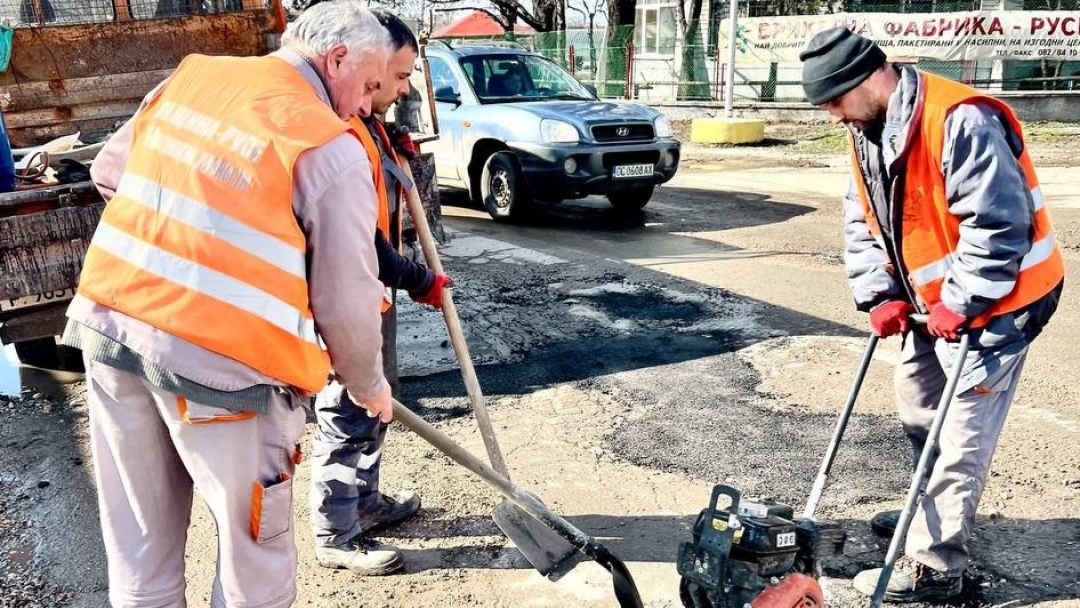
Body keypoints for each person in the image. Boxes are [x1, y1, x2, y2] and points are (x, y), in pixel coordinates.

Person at [63, 3, 394, 606]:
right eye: (370, 86)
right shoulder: (326, 143)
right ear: (337, 59)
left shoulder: (193, 76)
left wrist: (195, 245)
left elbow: (112, 174)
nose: (366, 107)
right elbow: (347, 305)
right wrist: (369, 386)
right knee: (254, 564)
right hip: (227, 379)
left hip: (112, 329)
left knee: (141, 550)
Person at [800, 27, 1064, 602]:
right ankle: (930, 507)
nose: (831, 118)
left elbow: (998, 226)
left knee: (962, 429)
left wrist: (962, 301)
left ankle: (936, 566)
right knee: (919, 403)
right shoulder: (866, 128)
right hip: (932, 304)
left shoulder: (960, 119)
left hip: (1002, 302)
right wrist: (880, 294)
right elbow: (862, 219)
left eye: (833, 103)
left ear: (867, 81)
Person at [309, 8, 451, 576]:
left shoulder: (369, 122)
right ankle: (334, 531)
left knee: (373, 409)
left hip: (374, 295)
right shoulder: (339, 122)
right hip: (348, 294)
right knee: (346, 409)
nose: (399, 87)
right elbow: (361, 240)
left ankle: (364, 504)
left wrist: (395, 154)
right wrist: (419, 279)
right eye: (395, 76)